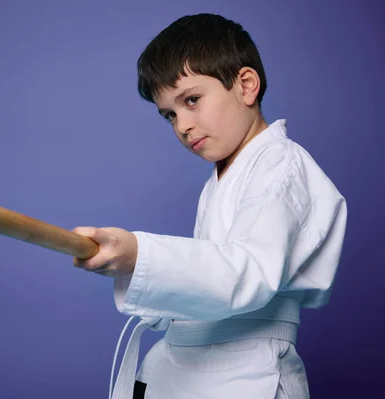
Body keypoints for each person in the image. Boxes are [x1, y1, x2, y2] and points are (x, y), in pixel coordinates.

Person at [72, 13, 347, 399]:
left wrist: (140, 255)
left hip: (248, 374)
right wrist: (140, 275)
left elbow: (245, 272)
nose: (182, 125)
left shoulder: (280, 165)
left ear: (245, 85)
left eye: (192, 100)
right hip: (191, 369)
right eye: (169, 115)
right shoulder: (226, 175)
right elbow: (212, 276)